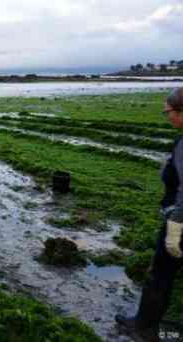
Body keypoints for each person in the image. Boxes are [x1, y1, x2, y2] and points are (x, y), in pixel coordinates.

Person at [116, 88, 183, 342]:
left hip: (179, 220)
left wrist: (176, 224)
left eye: (168, 112)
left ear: (181, 111)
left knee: (161, 273)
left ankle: (144, 328)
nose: (166, 117)